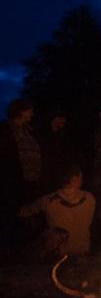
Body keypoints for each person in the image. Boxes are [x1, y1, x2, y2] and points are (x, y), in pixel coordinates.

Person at [20, 165, 95, 257]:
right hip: (83, 252)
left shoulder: (47, 200)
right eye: (81, 178)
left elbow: (22, 212)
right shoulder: (90, 198)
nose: (82, 181)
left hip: (57, 257)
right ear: (74, 178)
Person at [2, 99, 43, 247]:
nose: (32, 113)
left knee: (30, 213)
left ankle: (26, 246)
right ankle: (10, 248)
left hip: (32, 179)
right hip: (13, 179)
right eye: (29, 110)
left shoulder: (29, 130)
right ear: (20, 111)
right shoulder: (5, 130)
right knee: (13, 213)